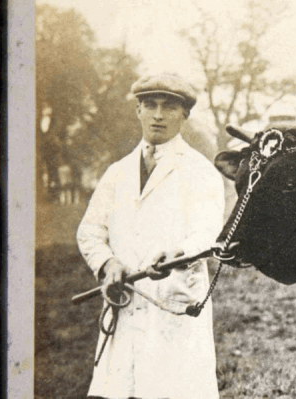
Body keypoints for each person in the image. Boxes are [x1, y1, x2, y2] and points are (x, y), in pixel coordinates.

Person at [77, 73, 225, 399]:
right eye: (150, 105)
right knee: (122, 391)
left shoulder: (199, 172)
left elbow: (208, 232)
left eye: (169, 107)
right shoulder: (117, 173)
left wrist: (178, 253)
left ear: (184, 115)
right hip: (126, 307)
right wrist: (107, 263)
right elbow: (89, 230)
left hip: (173, 308)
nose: (158, 114)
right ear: (138, 111)